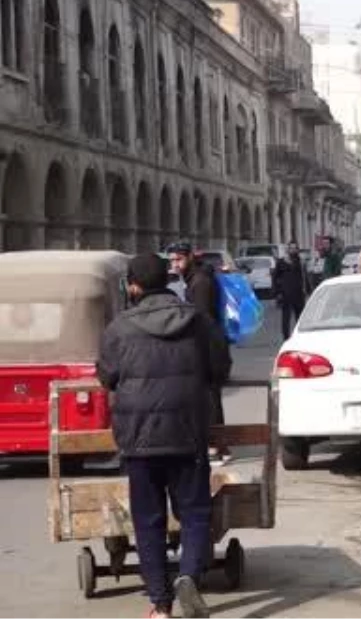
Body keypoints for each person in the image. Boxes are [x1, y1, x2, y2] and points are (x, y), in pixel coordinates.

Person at [97, 254, 230, 619]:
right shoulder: (197, 321)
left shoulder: (119, 327)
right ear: (169, 280)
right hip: (188, 433)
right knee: (195, 512)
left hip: (139, 440)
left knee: (148, 519)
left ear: (133, 285)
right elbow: (221, 369)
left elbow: (106, 376)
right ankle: (187, 575)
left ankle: (160, 605)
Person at [167, 242, 232, 465]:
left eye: (179, 260)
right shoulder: (196, 278)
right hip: (208, 344)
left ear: (190, 258)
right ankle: (214, 444)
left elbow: (202, 318)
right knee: (207, 398)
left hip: (209, 348)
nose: (175, 264)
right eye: (172, 260)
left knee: (211, 399)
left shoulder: (200, 282)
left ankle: (218, 447)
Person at [273, 240, 310, 339]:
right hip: (286, 294)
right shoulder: (281, 262)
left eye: (295, 248)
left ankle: (300, 336)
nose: (293, 250)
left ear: (297, 250)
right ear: (287, 249)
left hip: (299, 294)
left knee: (300, 317)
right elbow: (275, 278)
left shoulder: (300, 262)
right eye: (291, 248)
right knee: (286, 318)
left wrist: (309, 291)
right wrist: (277, 293)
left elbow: (305, 277)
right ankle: (286, 337)